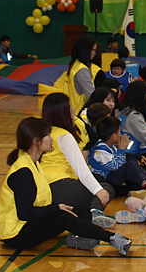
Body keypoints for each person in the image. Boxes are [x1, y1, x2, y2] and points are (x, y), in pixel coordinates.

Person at [0, 117, 132, 255]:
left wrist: (57, 207)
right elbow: (25, 213)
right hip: (17, 233)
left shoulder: (34, 163)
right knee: (60, 215)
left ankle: (80, 238)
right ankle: (112, 238)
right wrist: (55, 208)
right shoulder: (23, 171)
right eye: (47, 135)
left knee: (81, 211)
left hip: (29, 224)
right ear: (35, 141)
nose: (51, 138)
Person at [39, 93, 115, 227]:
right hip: (61, 185)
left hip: (43, 188)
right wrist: (98, 190)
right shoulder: (64, 136)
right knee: (106, 188)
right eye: (70, 109)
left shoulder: (41, 133)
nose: (72, 112)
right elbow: (80, 168)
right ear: (63, 113)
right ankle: (94, 213)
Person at [89, 116, 146, 192]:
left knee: (132, 161)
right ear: (113, 136)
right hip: (106, 179)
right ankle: (145, 184)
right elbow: (116, 166)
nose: (120, 135)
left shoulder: (107, 145)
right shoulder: (101, 152)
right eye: (119, 132)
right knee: (129, 165)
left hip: (111, 174)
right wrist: (121, 149)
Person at [63, 33, 98, 116]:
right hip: (79, 113)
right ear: (87, 50)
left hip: (71, 110)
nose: (95, 53)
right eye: (94, 50)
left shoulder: (73, 65)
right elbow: (92, 95)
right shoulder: (82, 70)